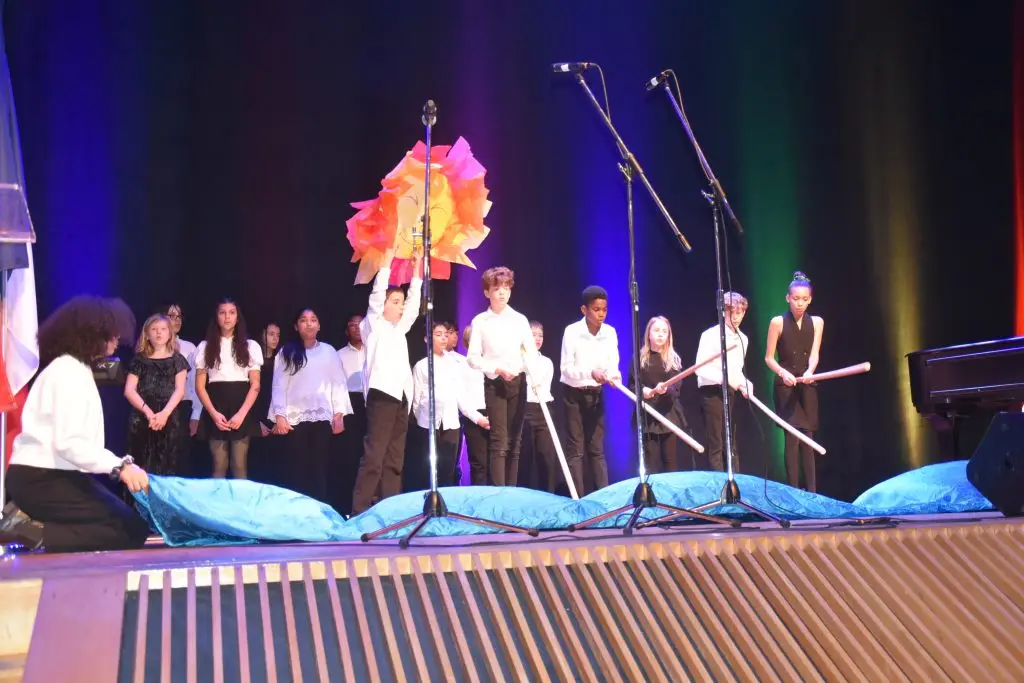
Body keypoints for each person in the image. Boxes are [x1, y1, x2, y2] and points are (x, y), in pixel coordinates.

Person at [0, 296, 151, 553]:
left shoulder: (73, 369)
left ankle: (29, 524)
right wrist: (120, 466)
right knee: (128, 530)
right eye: (112, 336)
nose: (116, 343)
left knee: (133, 528)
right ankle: (27, 530)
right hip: (40, 478)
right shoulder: (68, 373)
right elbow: (70, 444)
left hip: (54, 475)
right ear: (91, 336)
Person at [351, 248, 423, 514]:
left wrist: (416, 270)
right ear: (383, 306)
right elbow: (376, 294)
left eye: (400, 301)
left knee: (395, 458)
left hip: (401, 396)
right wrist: (387, 263)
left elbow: (414, 307)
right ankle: (359, 511)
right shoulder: (374, 325)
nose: (400, 305)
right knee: (374, 456)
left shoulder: (400, 329)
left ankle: (389, 511)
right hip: (382, 395)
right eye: (395, 301)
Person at [466, 266, 538, 487]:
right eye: (496, 288)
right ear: (487, 292)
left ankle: (512, 493)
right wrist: (496, 368)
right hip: (495, 383)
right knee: (499, 442)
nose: (502, 293)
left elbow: (531, 354)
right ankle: (499, 494)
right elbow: (473, 358)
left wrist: (529, 372)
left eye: (506, 288)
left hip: (517, 381)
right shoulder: (480, 321)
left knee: (515, 442)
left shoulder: (519, 319)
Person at [270, 308, 351, 502]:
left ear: (319, 325)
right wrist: (279, 416)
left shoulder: (329, 351)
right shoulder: (286, 352)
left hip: (321, 418)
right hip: (294, 419)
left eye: (313, 320)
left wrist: (339, 413)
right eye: (304, 320)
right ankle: (297, 514)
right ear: (296, 326)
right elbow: (279, 385)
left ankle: (319, 514)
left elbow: (338, 383)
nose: (309, 323)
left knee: (319, 469)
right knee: (296, 470)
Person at [408, 322, 488, 489]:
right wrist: (421, 419)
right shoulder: (421, 366)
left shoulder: (455, 364)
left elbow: (461, 397)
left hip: (451, 423)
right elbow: (415, 400)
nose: (443, 338)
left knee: (448, 468)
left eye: (445, 334)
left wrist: (478, 418)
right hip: (428, 424)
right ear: (427, 339)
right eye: (438, 334)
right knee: (428, 468)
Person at [765, 271, 823, 492]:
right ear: (787, 298)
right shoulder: (777, 322)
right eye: (795, 298)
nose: (800, 303)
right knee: (792, 439)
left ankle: (812, 493)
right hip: (786, 387)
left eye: (804, 299)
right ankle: (793, 493)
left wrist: (810, 371)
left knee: (808, 438)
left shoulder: (817, 322)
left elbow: (815, 353)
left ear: (810, 299)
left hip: (807, 385)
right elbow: (769, 358)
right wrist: (782, 373)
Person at [194, 298, 263, 479]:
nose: (227, 317)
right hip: (215, 407)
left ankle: (240, 506)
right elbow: (200, 386)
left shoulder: (251, 346)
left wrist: (241, 414)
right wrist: (213, 414)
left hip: (241, 406)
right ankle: (219, 506)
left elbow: (255, 384)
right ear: (216, 317)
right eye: (222, 312)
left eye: (232, 312)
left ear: (237, 317)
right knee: (219, 464)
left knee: (239, 465)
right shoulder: (205, 346)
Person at [559, 286, 619, 495]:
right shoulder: (572, 331)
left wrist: (613, 376)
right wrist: (590, 373)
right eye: (596, 309)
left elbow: (613, 363)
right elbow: (566, 369)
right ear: (584, 310)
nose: (601, 314)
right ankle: (579, 500)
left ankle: (603, 499)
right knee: (576, 449)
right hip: (573, 394)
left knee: (596, 448)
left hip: (596, 393)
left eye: (604, 309)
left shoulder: (610, 332)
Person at [123, 314, 190, 477]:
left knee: (167, 463)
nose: (159, 333)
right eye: (154, 329)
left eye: (163, 329)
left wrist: (164, 414)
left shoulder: (178, 360)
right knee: (141, 463)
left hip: (168, 417)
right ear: (147, 334)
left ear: (169, 333)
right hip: (142, 417)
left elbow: (180, 390)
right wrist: (148, 413)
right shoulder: (139, 360)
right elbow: (129, 390)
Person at [694, 291, 752, 473]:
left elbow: (737, 369)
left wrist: (745, 383)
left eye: (739, 313)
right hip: (711, 392)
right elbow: (700, 368)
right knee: (716, 442)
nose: (736, 317)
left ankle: (736, 482)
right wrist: (725, 379)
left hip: (730, 392)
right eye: (731, 312)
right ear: (723, 312)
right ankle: (718, 484)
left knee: (731, 440)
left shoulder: (743, 339)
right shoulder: (710, 335)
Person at [629, 316, 686, 474]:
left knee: (670, 461)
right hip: (649, 416)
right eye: (656, 330)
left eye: (664, 331)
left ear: (669, 335)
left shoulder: (673, 360)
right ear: (648, 334)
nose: (660, 334)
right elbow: (632, 386)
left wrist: (665, 389)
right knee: (651, 463)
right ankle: (652, 498)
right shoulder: (639, 359)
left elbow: (677, 390)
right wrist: (643, 391)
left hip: (668, 415)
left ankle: (670, 497)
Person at [335, 314, 367, 514]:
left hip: (370, 403)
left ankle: (369, 501)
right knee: (349, 455)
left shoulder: (374, 351)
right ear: (346, 330)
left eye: (360, 324)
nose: (356, 328)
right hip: (348, 404)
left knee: (369, 454)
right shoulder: (338, 355)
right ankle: (348, 504)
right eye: (352, 324)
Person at [522, 321, 559, 492]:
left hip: (544, 409)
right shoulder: (519, 360)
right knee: (525, 456)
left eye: (540, 335)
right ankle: (525, 494)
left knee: (547, 456)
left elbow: (545, 389)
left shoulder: (547, 362)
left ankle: (549, 494)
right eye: (533, 334)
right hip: (525, 409)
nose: (537, 338)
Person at [460, 325, 489, 485]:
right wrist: (479, 419)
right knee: (479, 465)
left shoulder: (492, 364)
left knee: (496, 464)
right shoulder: (462, 365)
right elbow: (461, 398)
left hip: (495, 414)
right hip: (474, 417)